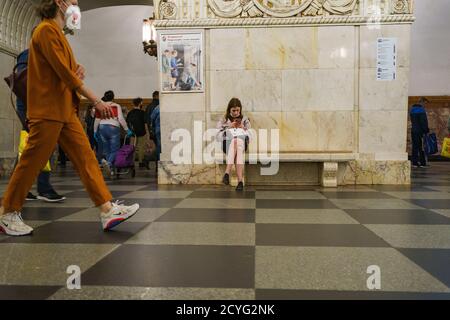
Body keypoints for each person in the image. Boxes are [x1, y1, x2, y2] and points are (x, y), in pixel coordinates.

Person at [0, 0, 140, 237]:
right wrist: (97, 100)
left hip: (64, 110)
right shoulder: (45, 30)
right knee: (31, 161)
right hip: (47, 111)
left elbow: (68, 69)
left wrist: (78, 68)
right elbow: (65, 74)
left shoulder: (57, 33)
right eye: (72, 0)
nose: (75, 4)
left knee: (86, 158)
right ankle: (7, 213)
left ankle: (107, 209)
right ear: (59, 2)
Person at [16, 46, 65, 203]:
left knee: (35, 148)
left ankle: (21, 188)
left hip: (41, 107)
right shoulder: (28, 53)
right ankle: (42, 189)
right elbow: (23, 78)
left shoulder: (44, 54)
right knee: (38, 147)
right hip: (31, 108)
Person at [94, 90, 133, 177]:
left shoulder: (100, 106)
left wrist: (95, 131)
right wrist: (127, 130)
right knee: (114, 149)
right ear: (113, 97)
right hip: (113, 128)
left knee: (107, 150)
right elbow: (121, 118)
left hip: (102, 127)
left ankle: (109, 170)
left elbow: (97, 119)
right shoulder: (116, 106)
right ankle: (108, 163)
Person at [216, 98, 251, 191]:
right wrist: (228, 127)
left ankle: (227, 173)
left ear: (240, 109)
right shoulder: (223, 120)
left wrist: (243, 128)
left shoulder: (244, 119)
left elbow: (250, 136)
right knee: (236, 144)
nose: (236, 112)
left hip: (242, 144)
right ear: (229, 110)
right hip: (227, 144)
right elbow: (218, 136)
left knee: (237, 142)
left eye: (237, 110)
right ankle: (240, 182)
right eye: (233, 110)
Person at [127, 97, 147, 167]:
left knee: (132, 147)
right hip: (142, 132)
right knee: (141, 147)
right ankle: (141, 162)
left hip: (132, 133)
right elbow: (145, 123)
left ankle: (131, 162)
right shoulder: (142, 112)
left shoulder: (130, 113)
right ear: (140, 103)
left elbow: (128, 122)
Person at [410, 97, 430, 168]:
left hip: (413, 130)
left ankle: (414, 163)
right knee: (421, 147)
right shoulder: (421, 110)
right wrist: (426, 130)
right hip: (420, 132)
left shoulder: (412, 109)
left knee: (415, 146)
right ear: (422, 102)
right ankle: (422, 163)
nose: (425, 105)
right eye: (425, 103)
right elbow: (423, 122)